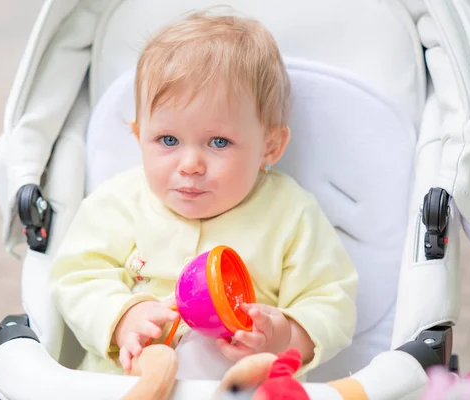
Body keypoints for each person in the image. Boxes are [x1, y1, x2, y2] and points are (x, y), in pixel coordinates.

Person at [49, 9, 357, 378]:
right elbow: (76, 274)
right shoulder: (120, 203)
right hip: (126, 386)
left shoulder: (290, 214)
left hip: (240, 385)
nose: (190, 164)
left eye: (218, 142)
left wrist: (285, 334)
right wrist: (121, 316)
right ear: (138, 137)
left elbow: (331, 300)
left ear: (270, 146)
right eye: (168, 140)